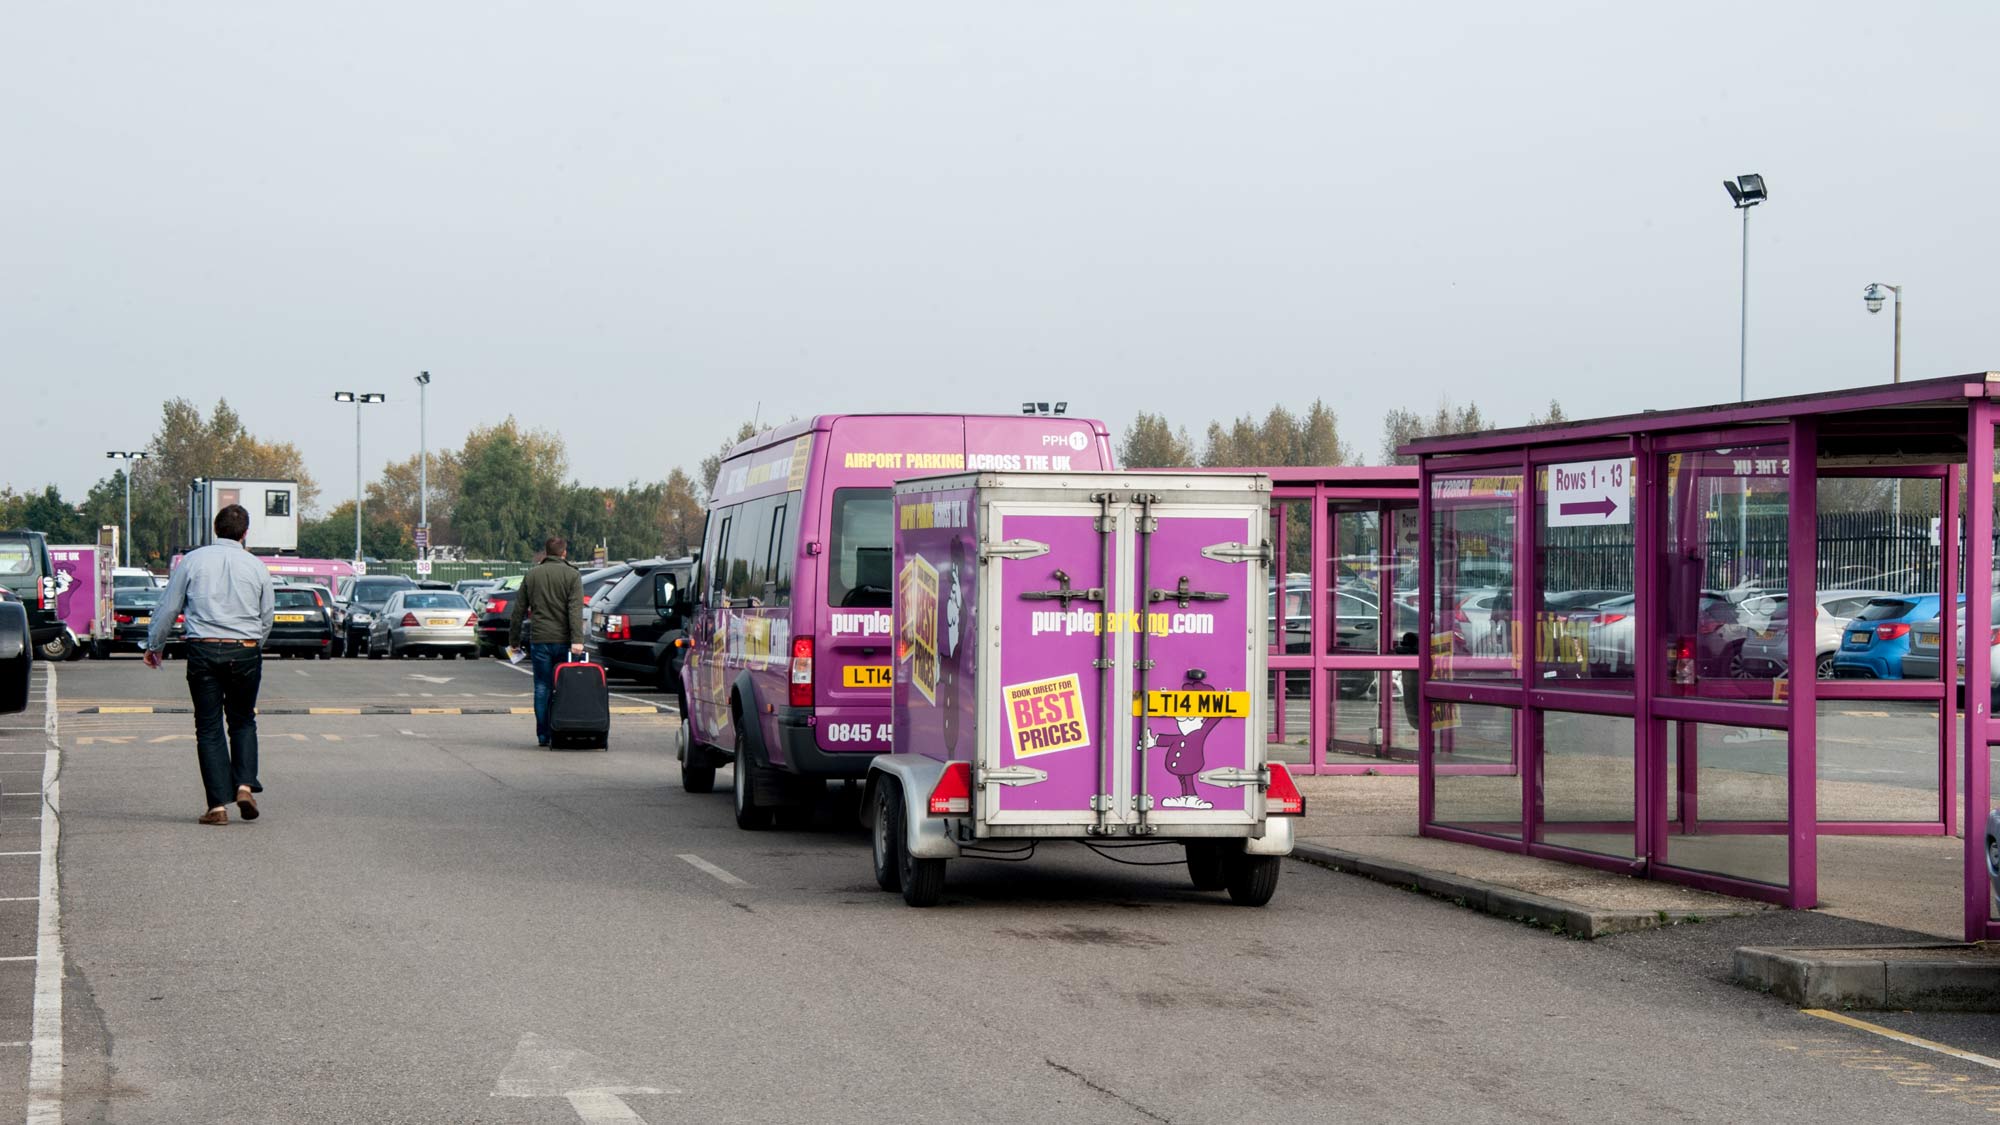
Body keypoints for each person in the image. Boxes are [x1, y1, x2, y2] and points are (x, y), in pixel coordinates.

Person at [146, 503, 275, 825]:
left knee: (209, 726)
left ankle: (217, 806)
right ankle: (244, 785)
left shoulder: (193, 561)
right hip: (244, 650)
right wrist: (252, 645)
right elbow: (267, 616)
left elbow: (168, 607)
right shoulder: (257, 566)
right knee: (243, 720)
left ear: (215, 529)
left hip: (202, 650)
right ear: (246, 533)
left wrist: (154, 646)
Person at [509, 536, 586, 747]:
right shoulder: (572, 575)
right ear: (564, 553)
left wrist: (513, 640)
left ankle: (543, 735)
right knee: (563, 686)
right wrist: (577, 640)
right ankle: (561, 728)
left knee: (541, 687)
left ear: (546, 552)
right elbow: (574, 610)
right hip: (564, 641)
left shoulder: (532, 575)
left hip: (540, 639)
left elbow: (518, 611)